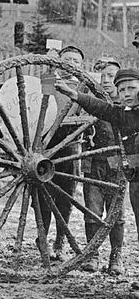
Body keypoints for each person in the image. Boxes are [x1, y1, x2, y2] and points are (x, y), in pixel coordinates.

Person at [56, 68, 139, 279]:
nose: (127, 93)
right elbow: (100, 108)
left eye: (132, 88)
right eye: (122, 90)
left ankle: (116, 255)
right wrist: (74, 94)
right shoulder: (122, 113)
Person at [78, 56, 124, 274]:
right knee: (92, 210)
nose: (106, 80)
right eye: (102, 76)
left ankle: (116, 258)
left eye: (111, 76)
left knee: (116, 213)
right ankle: (92, 255)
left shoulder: (125, 104)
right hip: (92, 162)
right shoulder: (90, 102)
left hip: (117, 165)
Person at [42, 44, 86, 261]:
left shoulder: (83, 87)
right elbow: (41, 99)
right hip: (47, 146)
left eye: (76, 62)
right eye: (66, 59)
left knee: (65, 196)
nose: (71, 64)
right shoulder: (51, 80)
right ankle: (43, 239)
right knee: (43, 195)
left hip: (70, 147)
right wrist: (50, 68)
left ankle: (60, 240)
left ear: (82, 66)